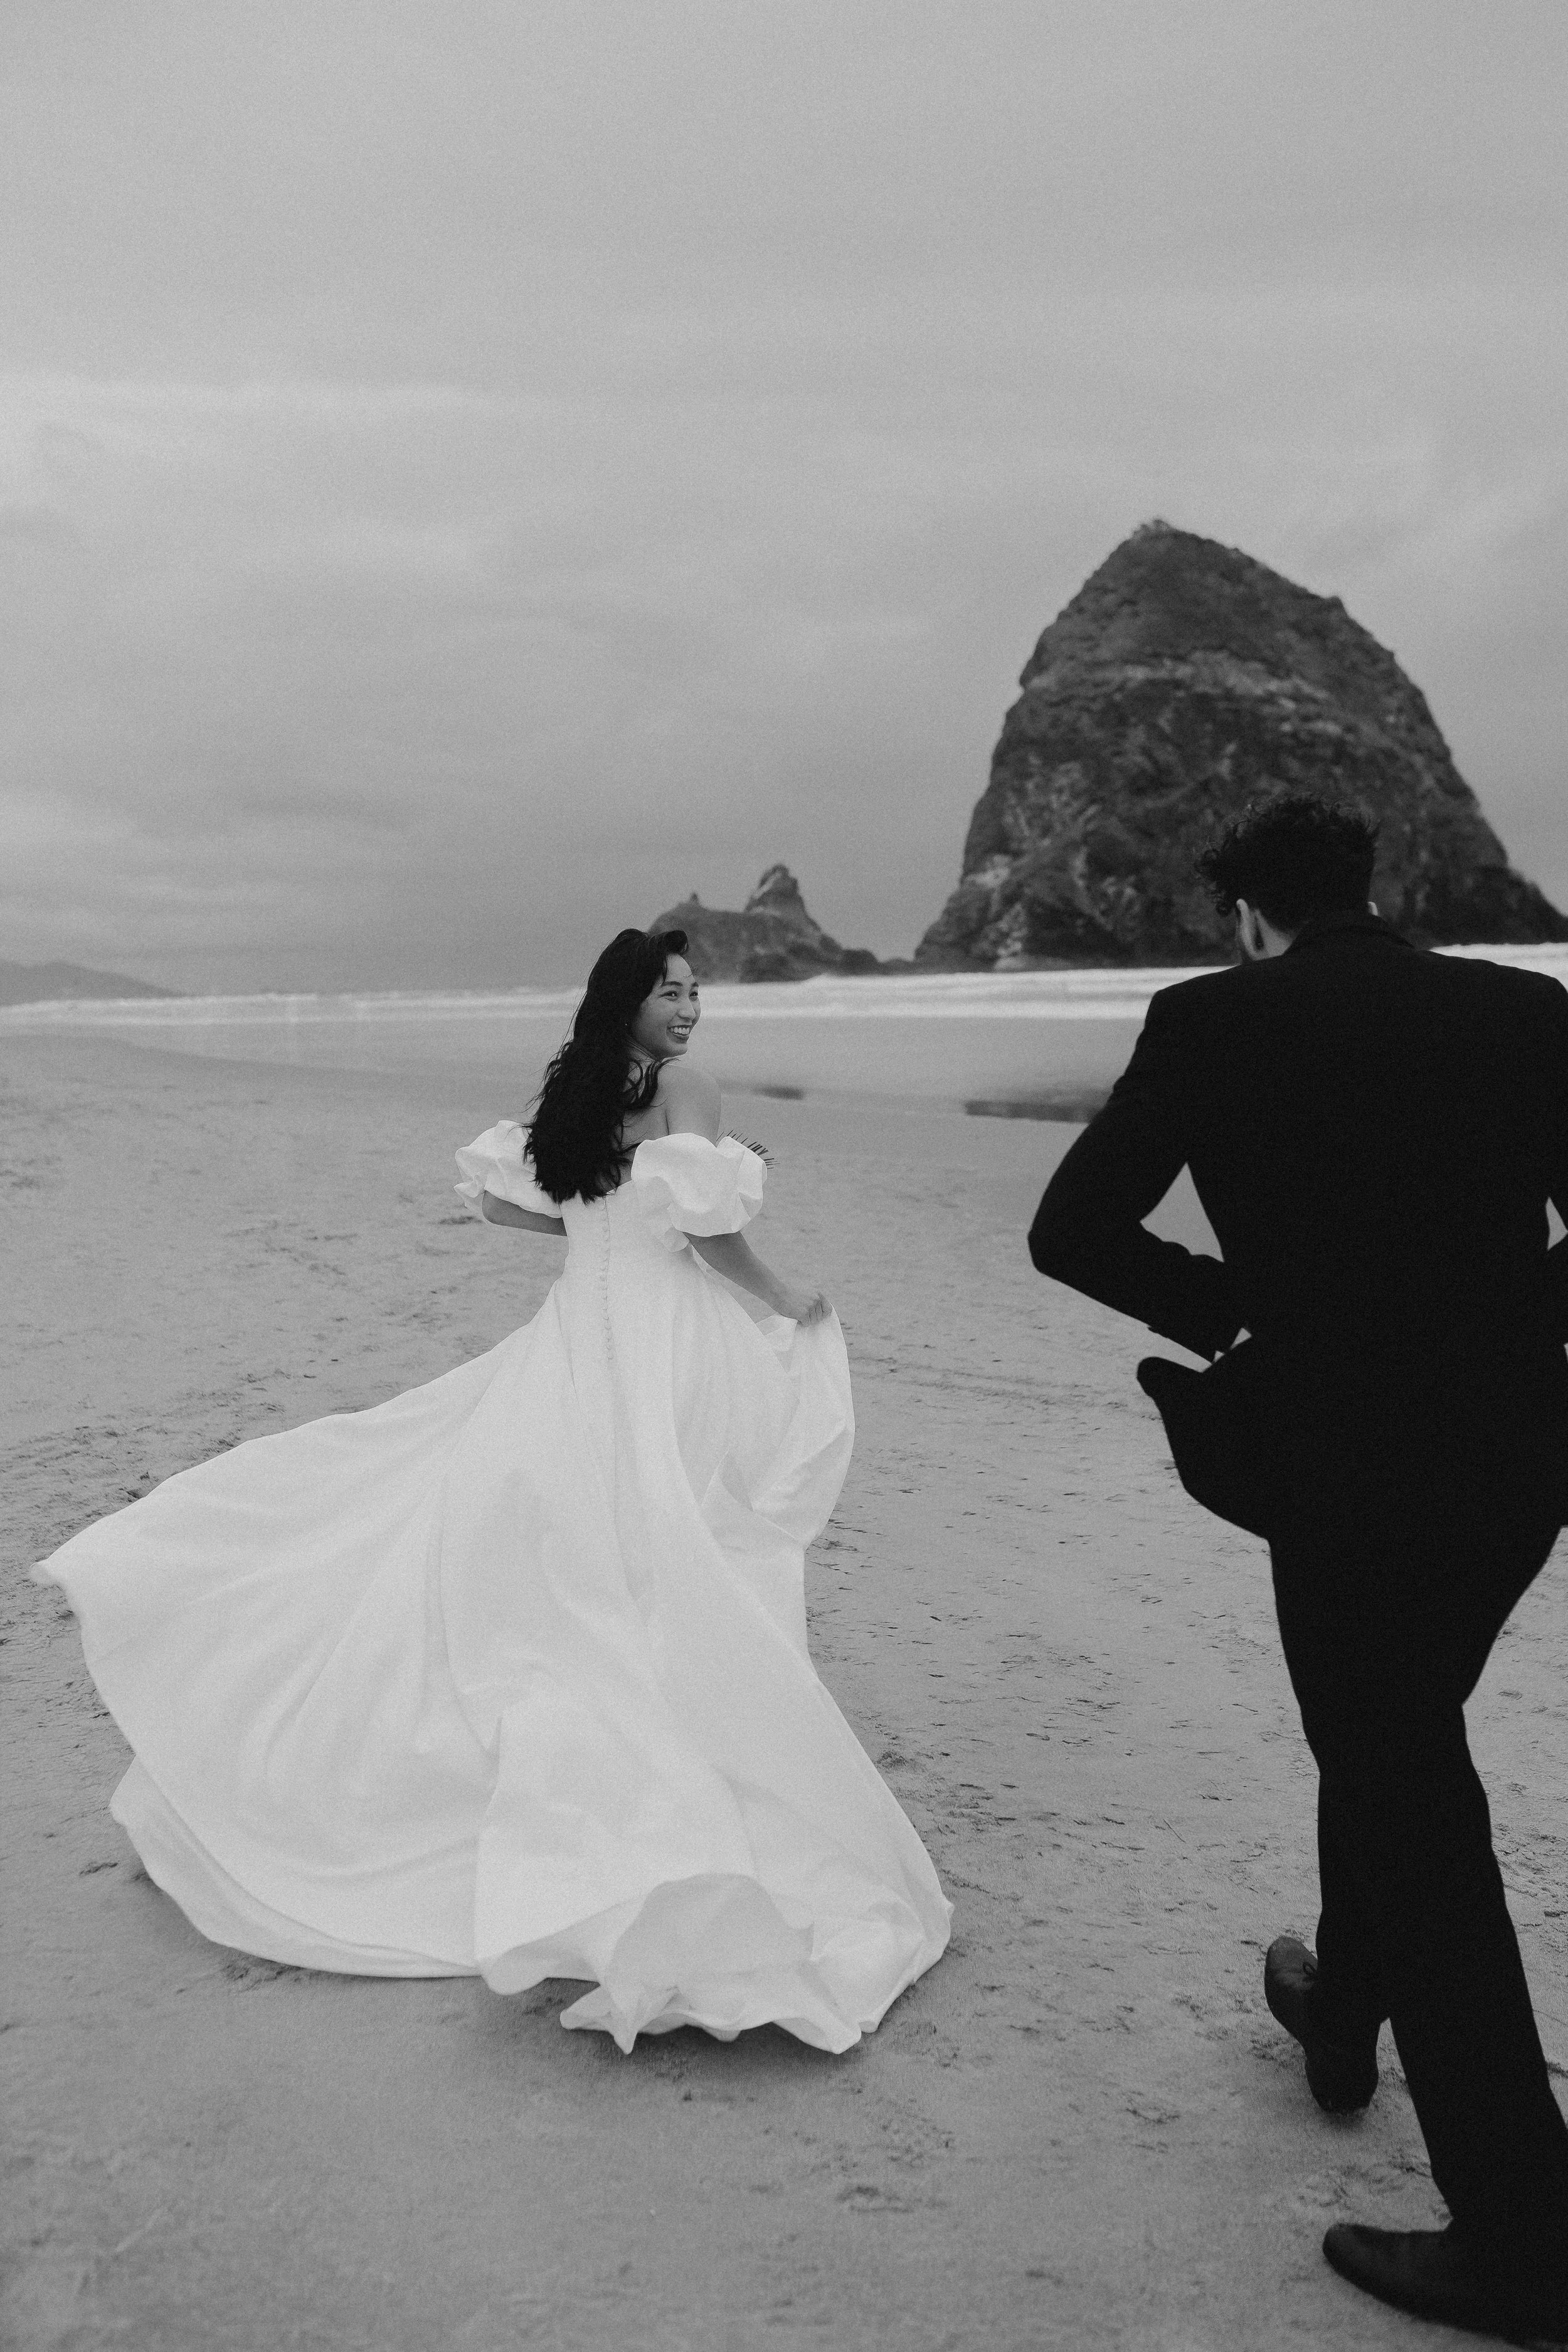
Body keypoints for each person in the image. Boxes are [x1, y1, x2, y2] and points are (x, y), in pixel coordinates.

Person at [38, 925, 950, 2053]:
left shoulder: (580, 1096)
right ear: (629, 1001)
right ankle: (676, 1739)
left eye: (696, 991)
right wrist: (785, 1294)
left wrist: (593, 1221)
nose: (691, 1008)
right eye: (671, 991)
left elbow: (507, 1204)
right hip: (660, 1338)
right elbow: (714, 1231)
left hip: (578, 1332)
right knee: (669, 1534)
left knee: (557, 1528)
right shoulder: (685, 1088)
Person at [1028, 795, 1568, 2342]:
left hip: (1333, 1466)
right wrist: (1502, 1325)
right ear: (1371, 889)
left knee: (1405, 1778)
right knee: (1393, 1731)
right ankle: (1340, 2009)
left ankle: (1526, 2242)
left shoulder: (1207, 1021)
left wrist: (1233, 1319)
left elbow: (1071, 1232)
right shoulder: (1523, 1009)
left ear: (1247, 916)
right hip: (1514, 1461)